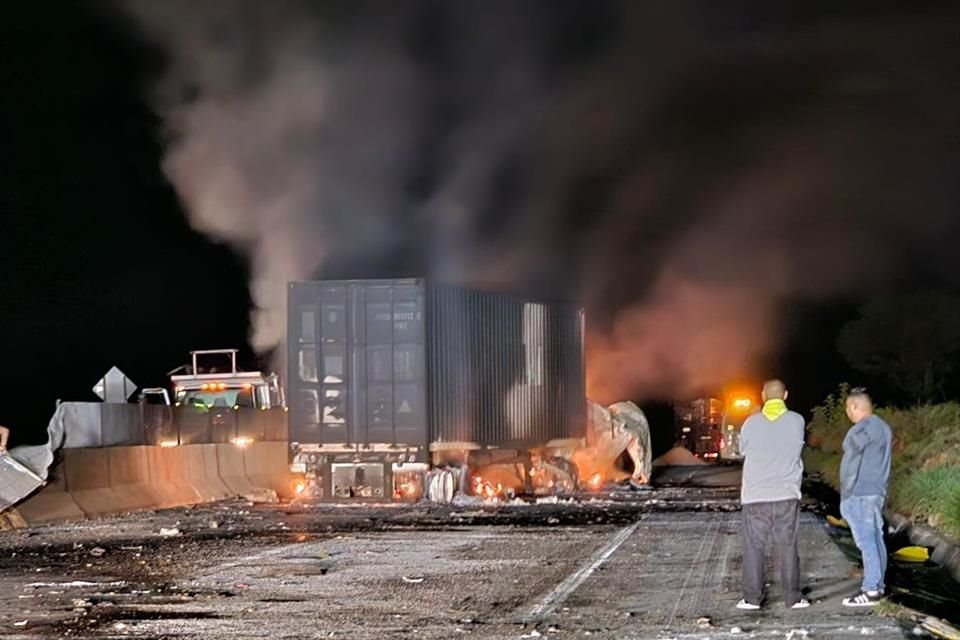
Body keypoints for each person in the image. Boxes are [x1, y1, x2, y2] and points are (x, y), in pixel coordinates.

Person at [736, 379, 809, 610]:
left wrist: (754, 415)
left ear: (762, 395)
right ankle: (793, 598)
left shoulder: (750, 423)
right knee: (788, 546)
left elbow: (742, 450)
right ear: (785, 395)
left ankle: (752, 599)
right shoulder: (797, 421)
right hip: (787, 495)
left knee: (754, 547)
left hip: (756, 496)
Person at [840, 388, 893, 607]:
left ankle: (870, 590)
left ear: (854, 406)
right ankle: (878, 585)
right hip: (877, 491)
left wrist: (846, 495)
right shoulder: (883, 427)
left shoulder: (859, 431)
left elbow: (850, 465)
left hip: (860, 493)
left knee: (866, 541)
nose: (847, 413)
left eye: (847, 408)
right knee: (876, 539)